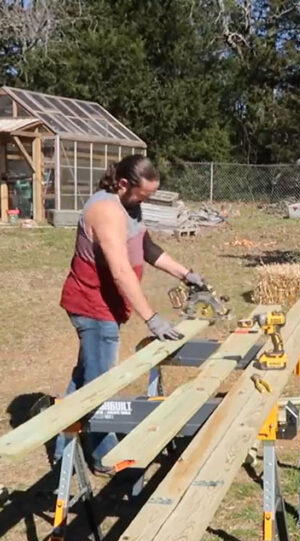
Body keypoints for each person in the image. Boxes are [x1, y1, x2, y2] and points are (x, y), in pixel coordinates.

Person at [55, 154, 209, 475]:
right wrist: (152, 318)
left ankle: (61, 445)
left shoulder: (130, 206)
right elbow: (122, 271)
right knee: (101, 383)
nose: (145, 201)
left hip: (106, 305)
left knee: (86, 374)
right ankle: (104, 457)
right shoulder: (106, 210)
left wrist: (185, 274)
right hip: (92, 305)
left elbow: (146, 247)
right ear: (123, 184)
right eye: (143, 195)